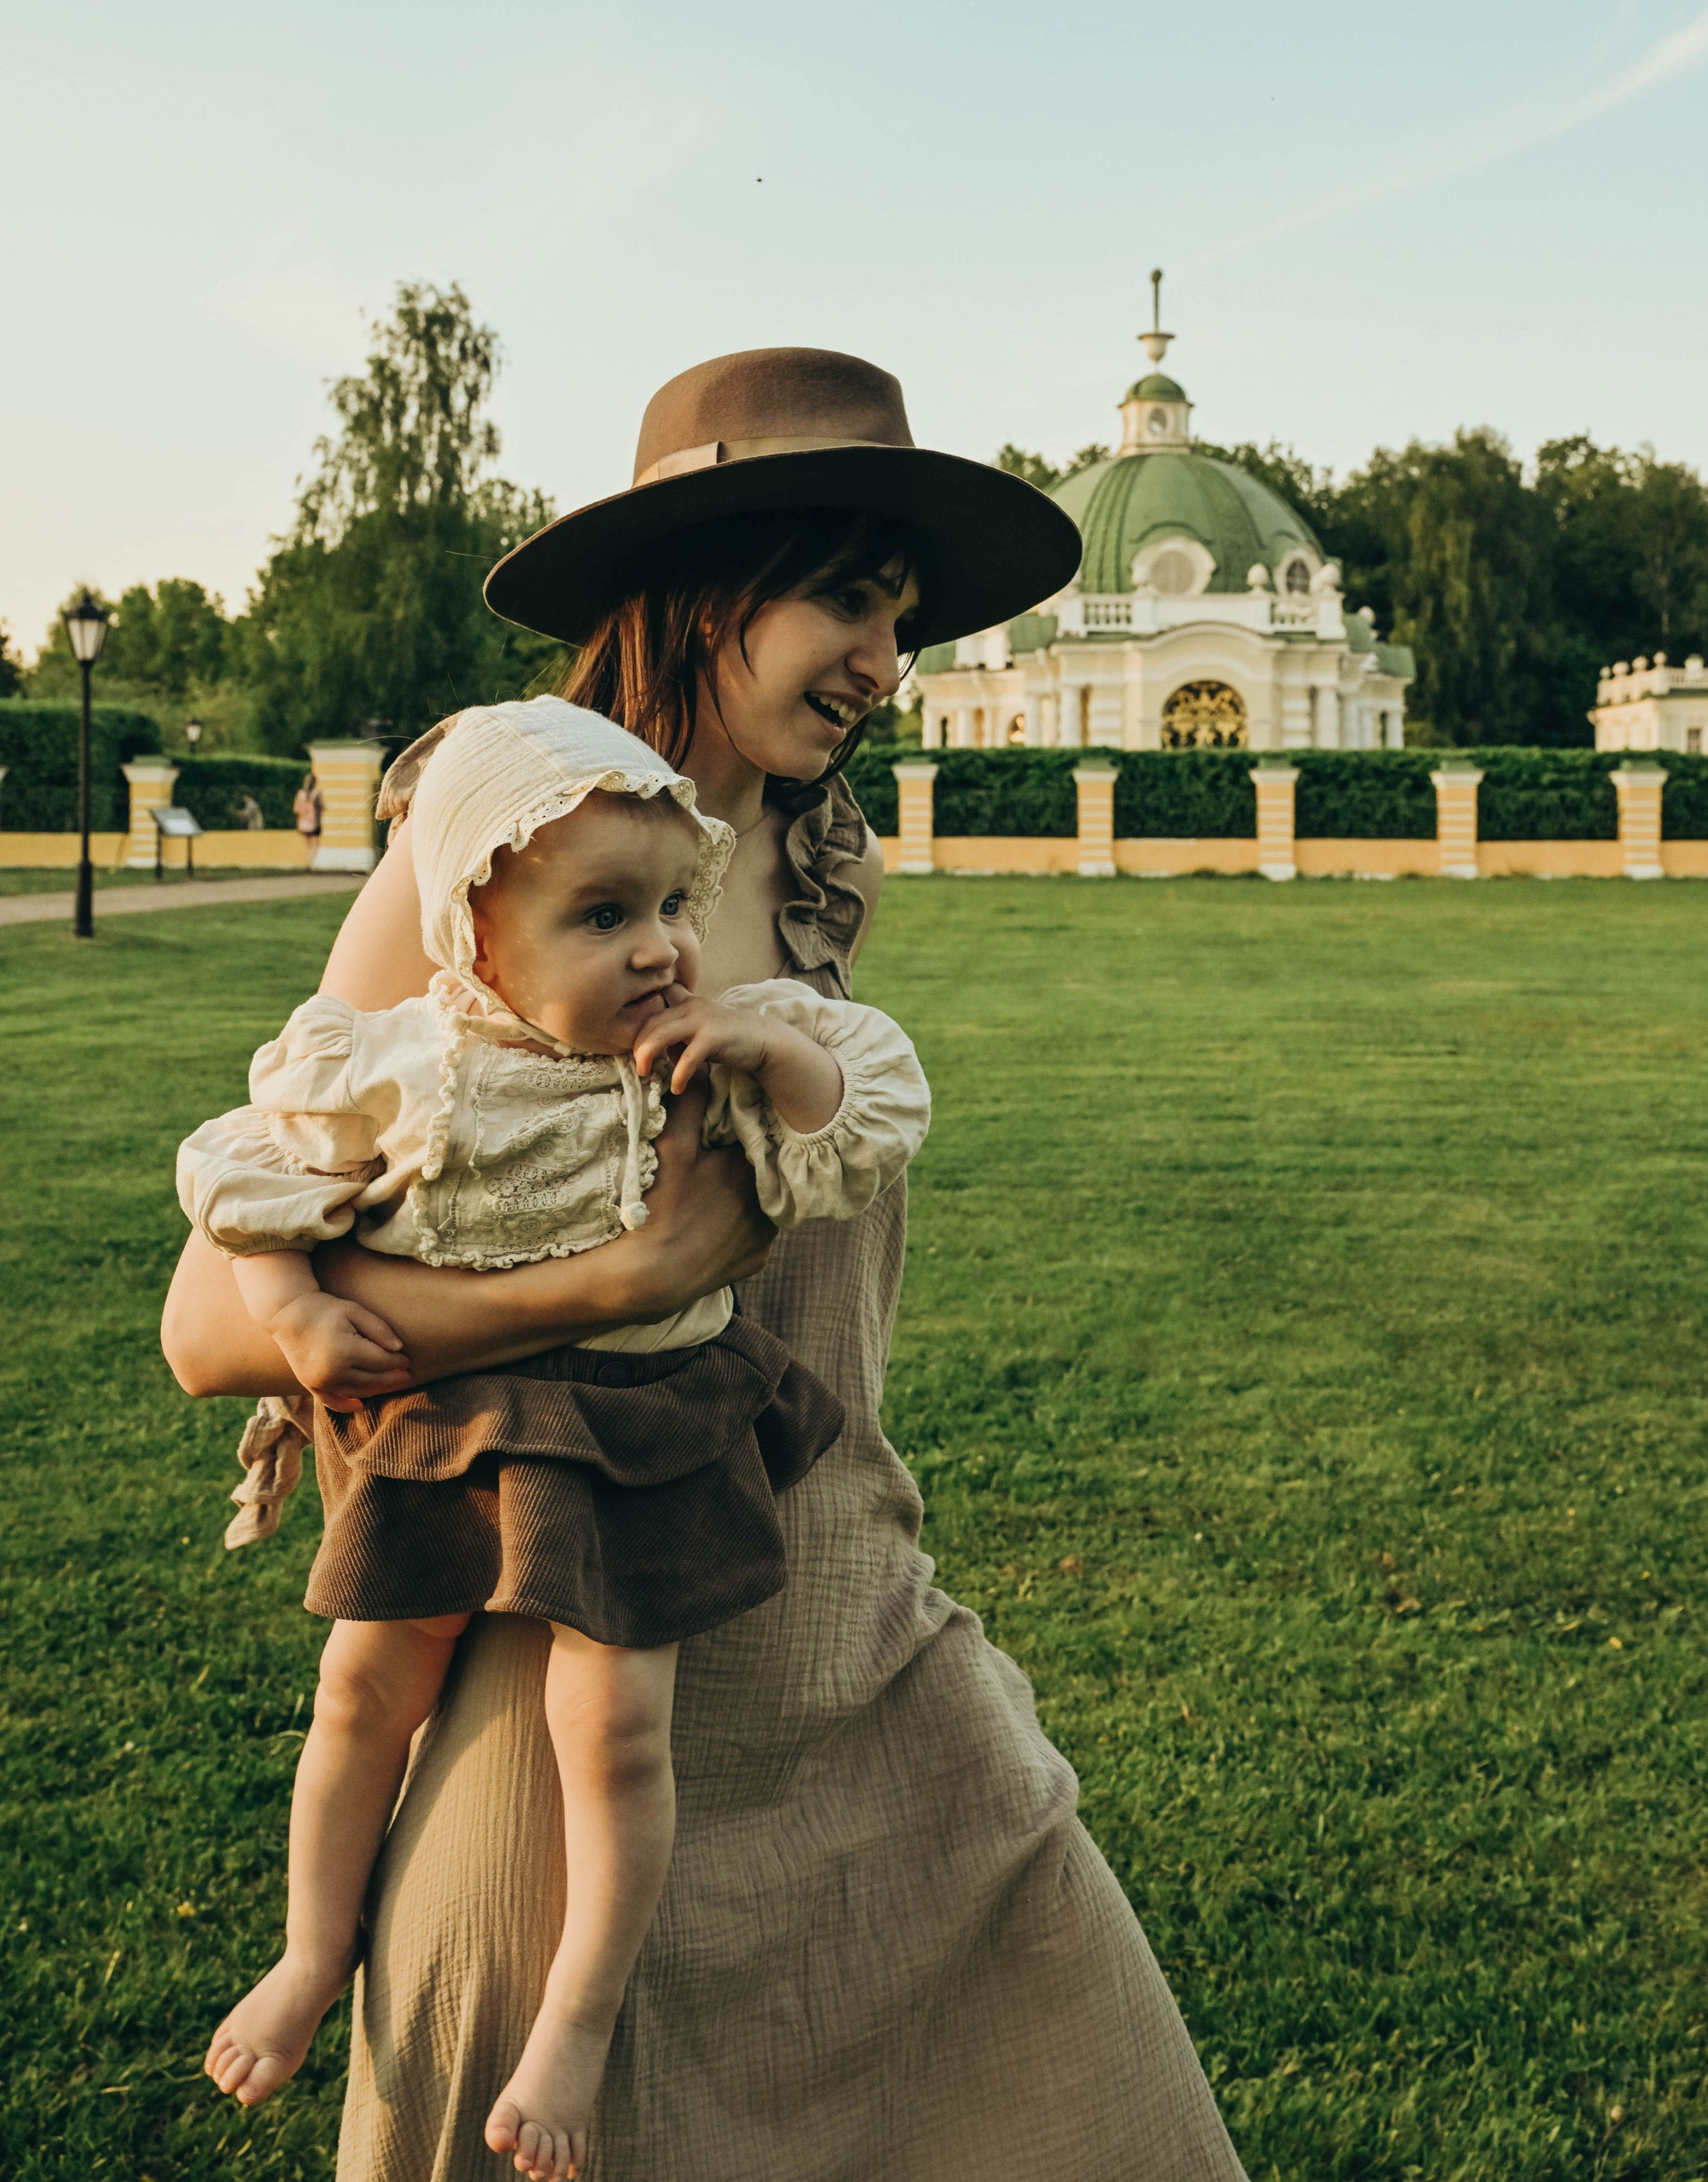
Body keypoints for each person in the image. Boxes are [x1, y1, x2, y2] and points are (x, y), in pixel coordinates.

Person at [161, 346, 1248, 2182]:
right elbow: (213, 1321)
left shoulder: (831, 863)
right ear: (701, 588)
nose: (885, 669)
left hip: (853, 1634)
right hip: (571, 1656)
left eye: (898, 619)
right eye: (846, 600)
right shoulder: (502, 852)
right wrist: (592, 1291)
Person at [179, 698, 928, 2178]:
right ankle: (311, 1952)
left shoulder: (714, 1043)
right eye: (604, 916)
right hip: (452, 1428)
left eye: (669, 907)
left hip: (639, 1435)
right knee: (361, 1691)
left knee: (614, 1734)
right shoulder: (406, 1059)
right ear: (475, 936)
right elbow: (237, 1169)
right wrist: (296, 1308)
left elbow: (877, 1105)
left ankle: (575, 2020)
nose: (659, 947)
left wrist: (770, 1057)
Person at [294, 771, 322, 866]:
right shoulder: (317, 793)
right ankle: (310, 862)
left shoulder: (301, 794)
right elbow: (323, 806)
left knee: (308, 844)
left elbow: (296, 809)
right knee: (315, 844)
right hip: (315, 822)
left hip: (303, 822)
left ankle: (308, 862)